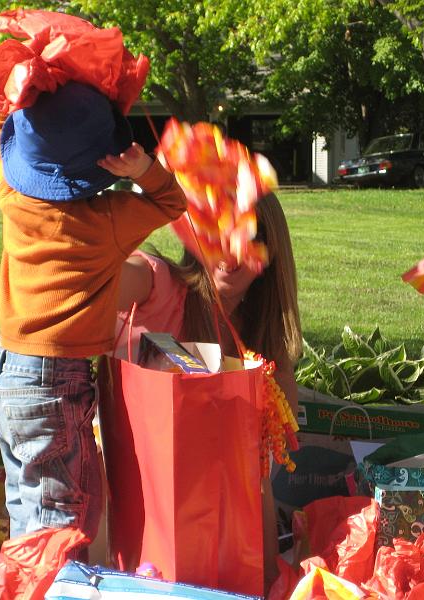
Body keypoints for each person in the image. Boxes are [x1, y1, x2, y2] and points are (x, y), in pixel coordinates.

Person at [0, 79, 186, 542]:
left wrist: (15, 98)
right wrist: (144, 168)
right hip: (55, 382)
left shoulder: (14, 199)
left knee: (25, 509)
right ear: (103, 161)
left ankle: (26, 590)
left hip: (7, 372)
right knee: (62, 522)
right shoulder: (109, 220)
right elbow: (171, 202)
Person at [114, 192, 302, 587]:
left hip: (226, 534)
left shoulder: (263, 336)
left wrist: (266, 580)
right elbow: (109, 281)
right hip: (146, 521)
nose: (231, 255)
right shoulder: (163, 288)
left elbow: (259, 474)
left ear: (270, 254)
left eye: (248, 239)